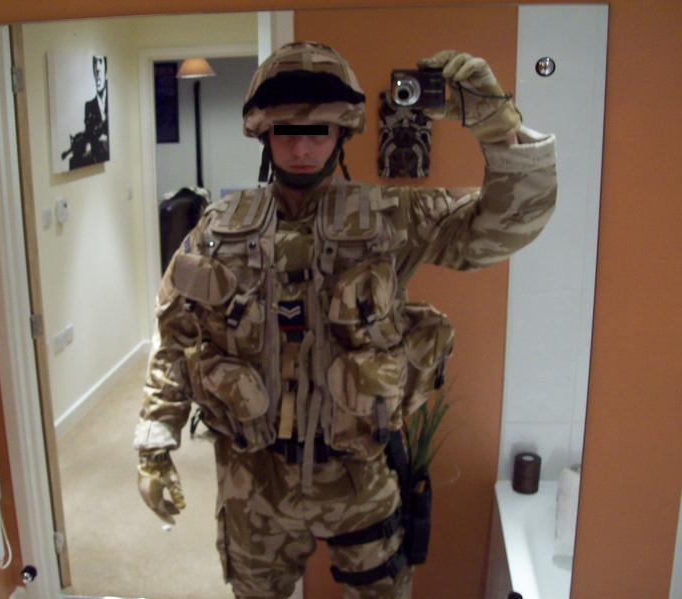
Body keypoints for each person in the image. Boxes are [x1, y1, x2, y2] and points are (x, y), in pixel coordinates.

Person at [133, 42, 557, 599]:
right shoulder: (216, 229)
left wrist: (498, 126)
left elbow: (505, 225)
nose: (302, 147)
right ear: (263, 133)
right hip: (251, 480)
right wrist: (155, 440)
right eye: (287, 131)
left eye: (319, 131)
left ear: (342, 133)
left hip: (358, 478)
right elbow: (176, 332)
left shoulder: (391, 218)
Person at [68, 55, 109, 169]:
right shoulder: (89, 106)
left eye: (100, 62)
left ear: (106, 71)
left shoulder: (112, 102)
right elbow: (89, 134)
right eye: (95, 63)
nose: (97, 70)